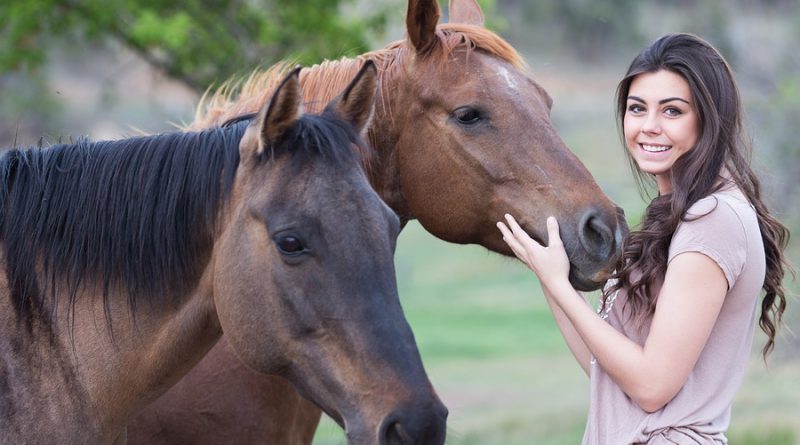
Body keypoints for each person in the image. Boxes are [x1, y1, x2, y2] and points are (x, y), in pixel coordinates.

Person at [496, 32, 791, 444]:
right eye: (637, 109)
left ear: (708, 118)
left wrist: (560, 285)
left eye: (672, 111)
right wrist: (550, 278)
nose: (648, 127)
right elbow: (608, 374)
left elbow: (652, 387)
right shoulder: (680, 213)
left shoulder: (713, 218)